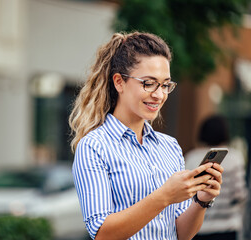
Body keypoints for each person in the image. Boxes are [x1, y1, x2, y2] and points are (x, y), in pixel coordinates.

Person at [68, 32, 224, 240]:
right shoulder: (94, 146)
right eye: (148, 83)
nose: (159, 95)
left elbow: (181, 234)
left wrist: (201, 201)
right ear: (119, 82)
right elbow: (102, 233)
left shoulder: (169, 146)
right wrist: (165, 196)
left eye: (165, 85)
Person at [185, 115, 247, 240]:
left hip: (198, 228)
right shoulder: (235, 158)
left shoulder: (191, 158)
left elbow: (186, 194)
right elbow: (239, 195)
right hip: (227, 227)